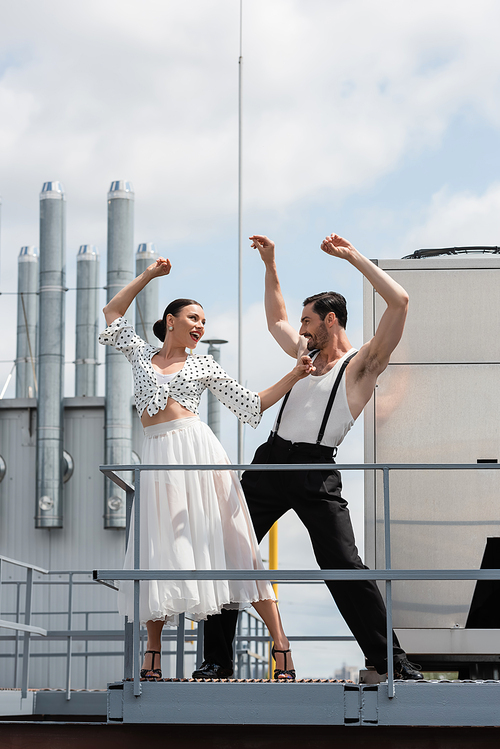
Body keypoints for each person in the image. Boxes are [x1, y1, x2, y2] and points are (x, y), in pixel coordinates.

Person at [195, 233, 423, 681]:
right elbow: (275, 317)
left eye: (308, 321)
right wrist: (271, 264)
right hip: (271, 462)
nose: (299, 329)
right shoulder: (305, 353)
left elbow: (399, 302)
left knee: (344, 564)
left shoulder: (361, 364)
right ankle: (217, 661)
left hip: (318, 469)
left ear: (331, 320)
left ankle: (389, 661)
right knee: (228, 551)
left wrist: (353, 256)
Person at [99, 256, 314, 681]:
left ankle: (281, 647)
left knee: (236, 550)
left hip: (199, 457)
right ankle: (152, 658)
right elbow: (111, 314)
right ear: (170, 321)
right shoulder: (141, 355)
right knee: (155, 553)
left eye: (203, 320)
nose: (199, 325)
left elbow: (250, 403)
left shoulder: (204, 364)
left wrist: (293, 375)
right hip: (159, 462)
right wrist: (149, 275)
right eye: (193, 318)